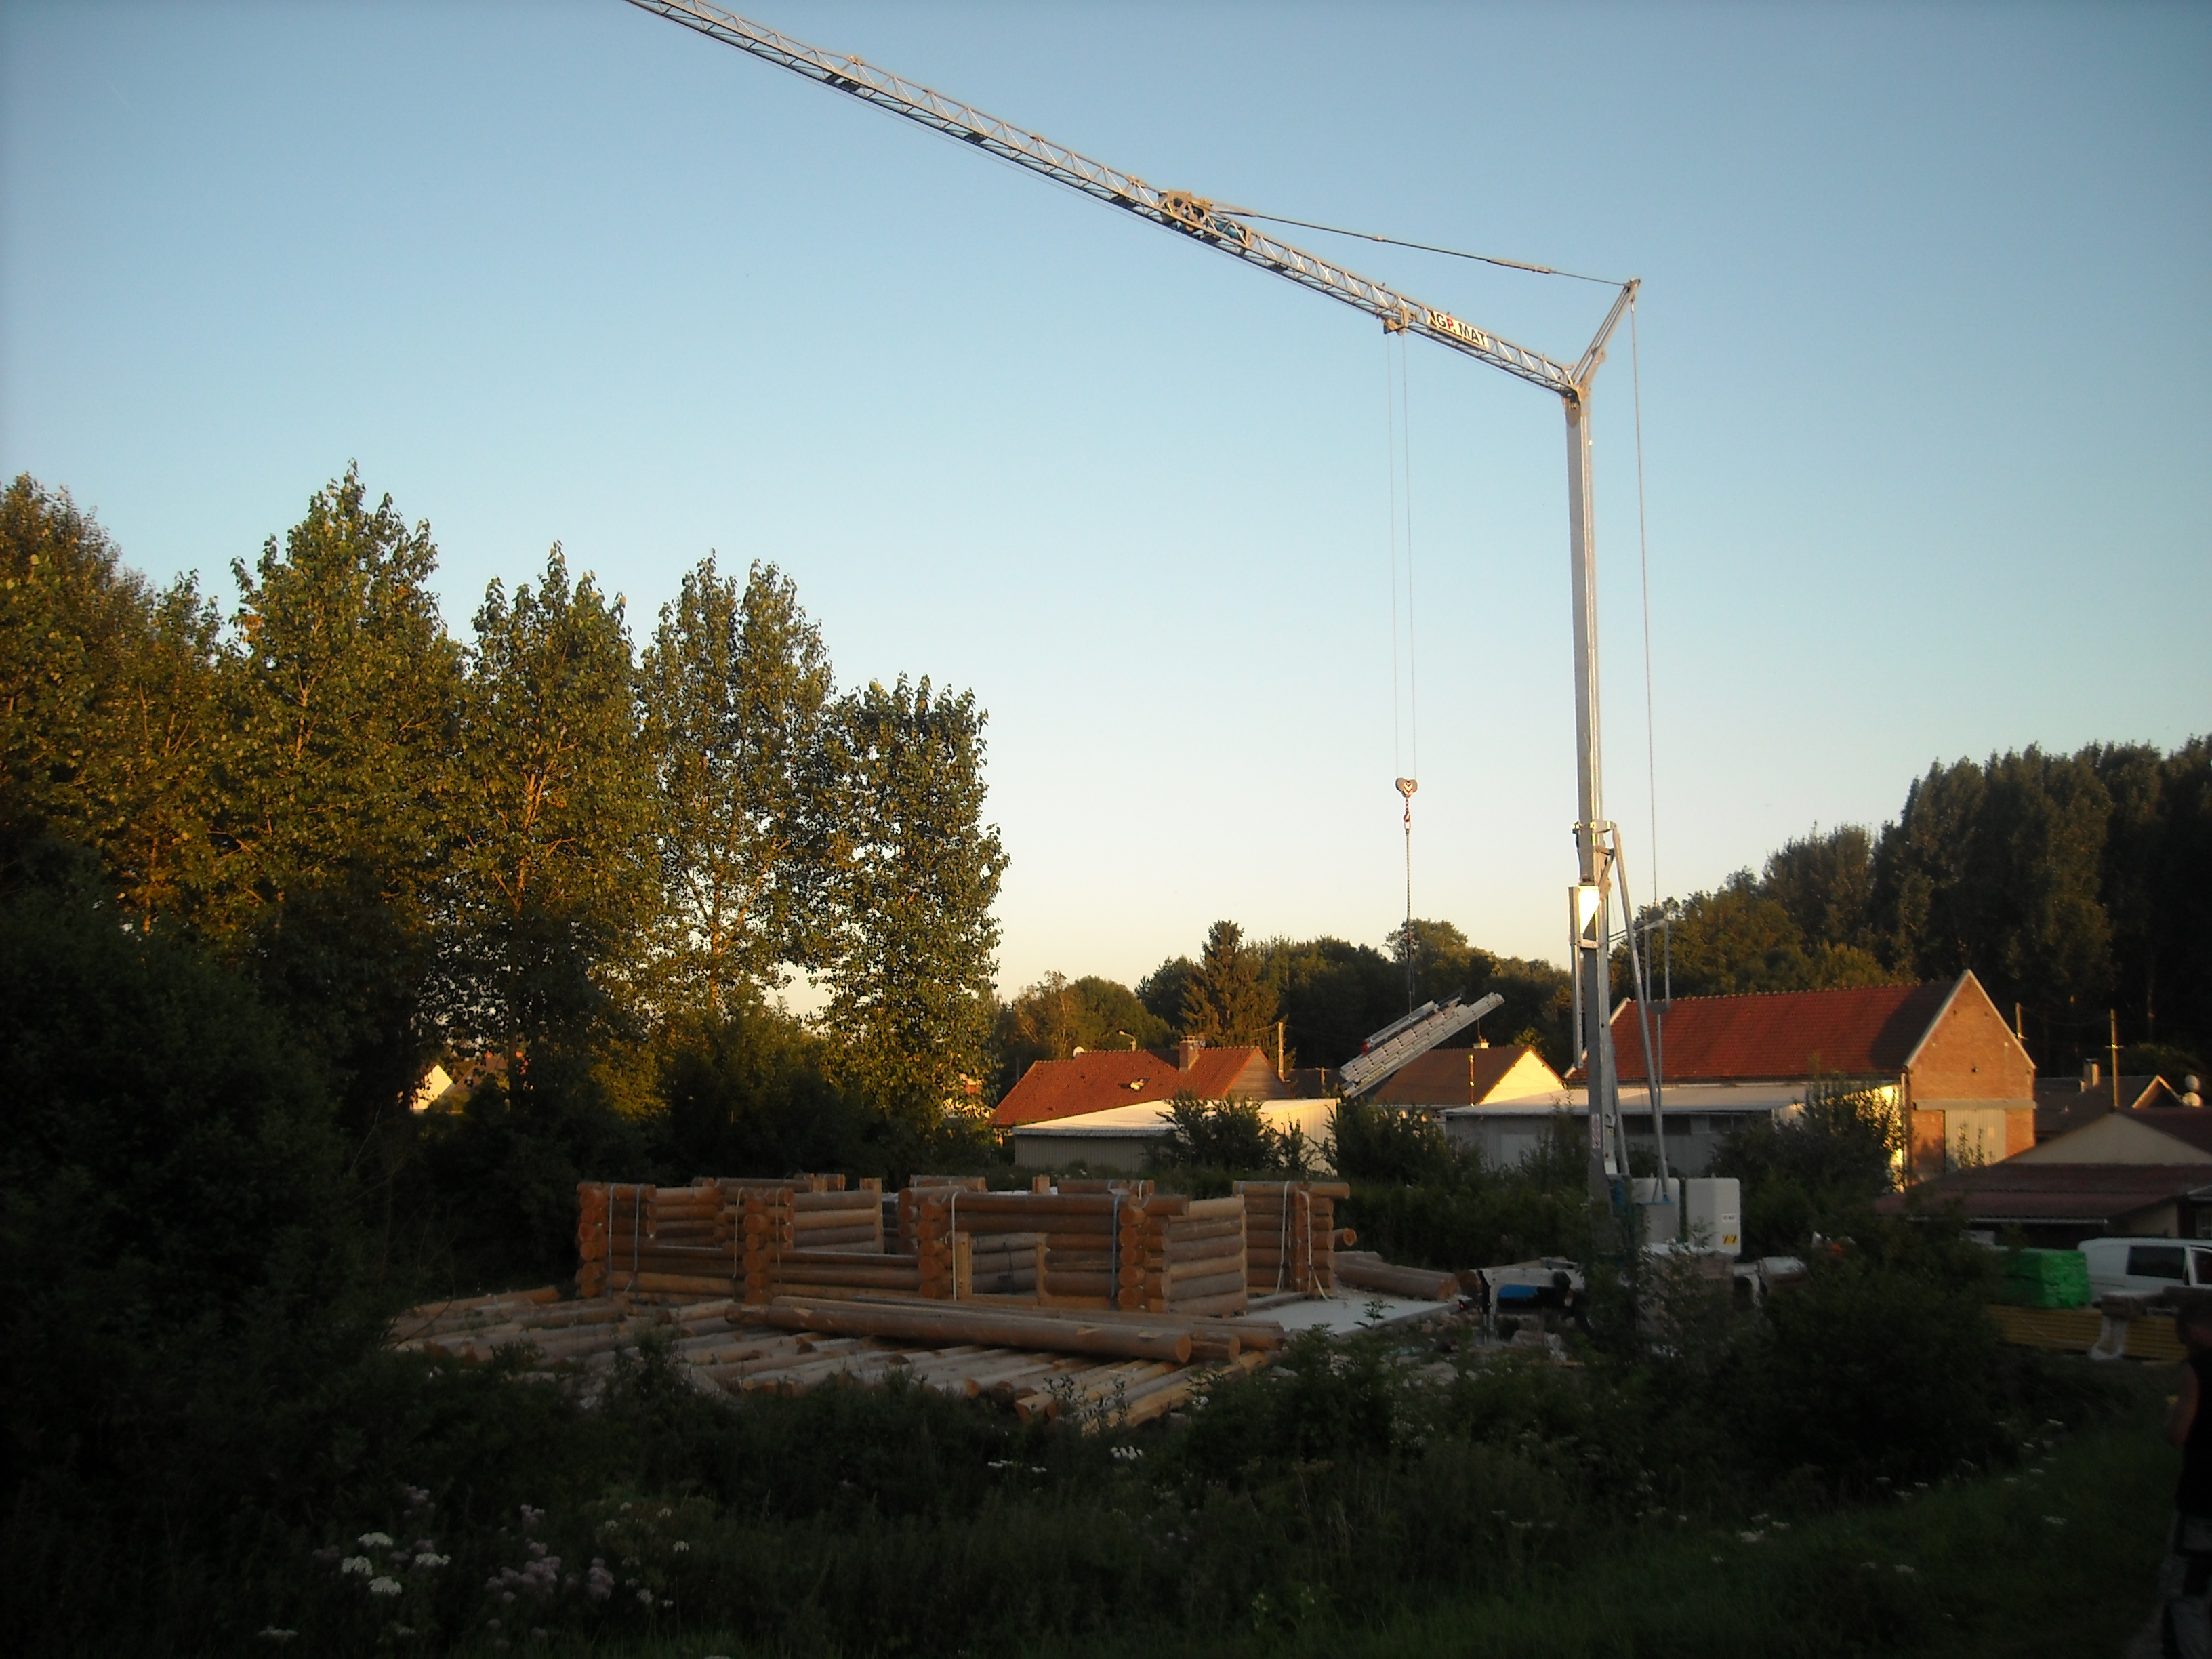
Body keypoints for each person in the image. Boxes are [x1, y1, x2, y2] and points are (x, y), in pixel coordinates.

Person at [2161, 1292, 2212, 1658]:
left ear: (2194, 1331)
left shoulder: (2199, 1369)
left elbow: (2178, 1435)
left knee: (2187, 1595)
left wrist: (2172, 1415)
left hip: (2202, 1501)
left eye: (2183, 1338)